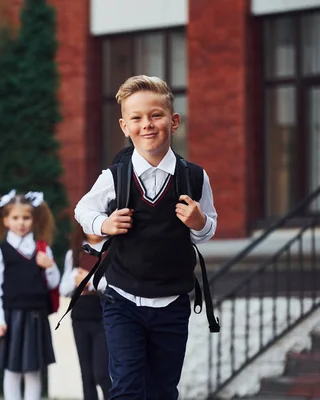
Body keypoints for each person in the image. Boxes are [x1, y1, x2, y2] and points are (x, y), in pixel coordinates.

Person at [74, 75, 218, 399]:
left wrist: (199, 222)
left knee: (163, 390)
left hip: (172, 303)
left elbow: (207, 231)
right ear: (125, 126)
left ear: (174, 120)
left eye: (156, 115)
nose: (147, 125)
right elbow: (82, 209)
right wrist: (104, 223)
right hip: (122, 300)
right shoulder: (114, 177)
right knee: (125, 387)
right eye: (136, 118)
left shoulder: (195, 177)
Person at [0, 190, 60, 400]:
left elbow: (53, 283)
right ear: (6, 220)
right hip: (11, 317)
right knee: (12, 370)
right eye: (15, 218)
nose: (21, 223)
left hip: (36, 315)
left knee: (34, 370)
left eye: (26, 218)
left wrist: (50, 266)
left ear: (34, 220)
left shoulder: (42, 250)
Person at [59, 221, 111, 400]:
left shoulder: (112, 250)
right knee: (86, 373)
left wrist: (90, 281)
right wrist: (75, 278)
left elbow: (116, 284)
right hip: (80, 316)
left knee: (102, 373)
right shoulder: (74, 253)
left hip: (104, 315)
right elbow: (64, 288)